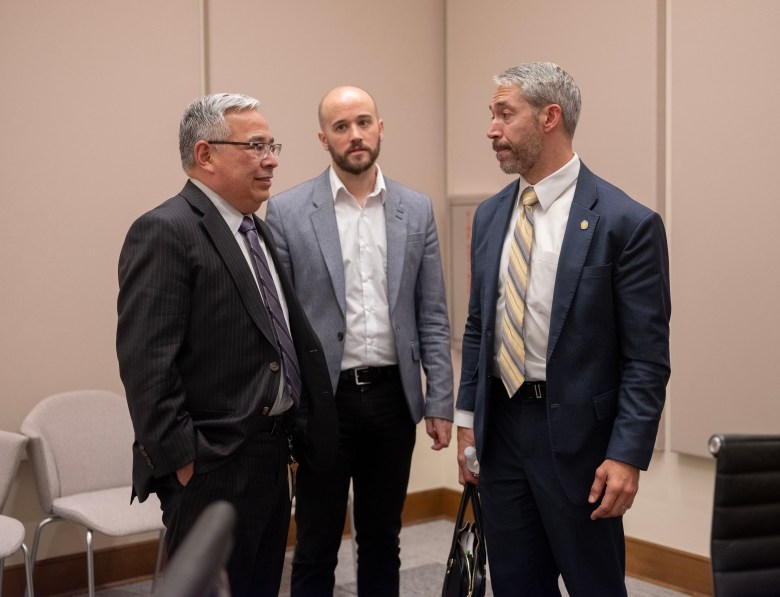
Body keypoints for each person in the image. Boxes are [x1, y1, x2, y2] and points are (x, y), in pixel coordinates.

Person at [455, 63, 671, 596]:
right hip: (501, 432)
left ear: (550, 117)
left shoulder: (626, 222)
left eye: (505, 114)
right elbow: (480, 325)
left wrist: (626, 455)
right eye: (491, 115)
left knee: (593, 584)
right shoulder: (488, 217)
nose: (491, 129)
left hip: (581, 444)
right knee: (514, 583)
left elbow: (646, 357)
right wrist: (466, 420)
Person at [116, 93, 337, 597]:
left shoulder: (254, 230)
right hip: (212, 467)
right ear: (206, 155)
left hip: (268, 457)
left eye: (272, 145)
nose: (272, 158)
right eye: (255, 146)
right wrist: (187, 463)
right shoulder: (165, 230)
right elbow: (147, 367)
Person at [266, 85, 454, 596]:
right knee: (316, 542)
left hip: (394, 401)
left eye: (364, 122)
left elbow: (433, 313)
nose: (355, 135)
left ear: (380, 128)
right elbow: (278, 325)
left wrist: (440, 399)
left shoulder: (415, 209)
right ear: (323, 138)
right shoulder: (286, 212)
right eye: (342, 127)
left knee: (382, 538)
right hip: (324, 403)